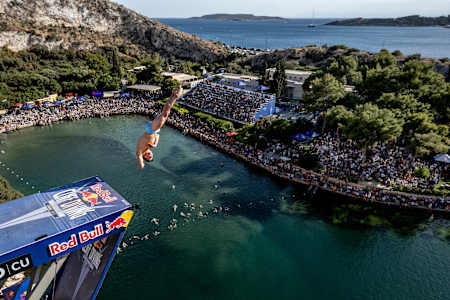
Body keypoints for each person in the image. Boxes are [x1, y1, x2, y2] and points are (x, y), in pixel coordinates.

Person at [136, 86, 183, 168]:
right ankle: (173, 95)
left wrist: (141, 164)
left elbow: (139, 158)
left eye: (149, 157)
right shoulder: (148, 148)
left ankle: (175, 96)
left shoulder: (140, 151)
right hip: (154, 130)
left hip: (151, 129)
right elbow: (158, 135)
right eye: (152, 156)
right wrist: (155, 144)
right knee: (165, 114)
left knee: (165, 113)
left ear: (145, 157)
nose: (151, 155)